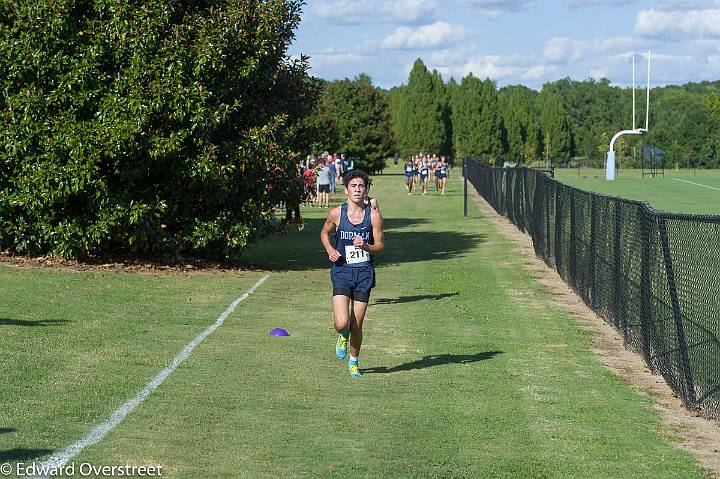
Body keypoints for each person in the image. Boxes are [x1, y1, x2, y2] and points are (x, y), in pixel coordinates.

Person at [320, 170, 385, 379]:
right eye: (353, 186)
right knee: (342, 322)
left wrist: (366, 245)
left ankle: (354, 362)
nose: (357, 189)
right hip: (341, 271)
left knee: (357, 324)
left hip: (364, 273)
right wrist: (330, 249)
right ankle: (342, 335)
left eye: (361, 186)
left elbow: (380, 246)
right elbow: (324, 233)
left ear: (366, 190)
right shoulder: (336, 214)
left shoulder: (373, 216)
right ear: (346, 189)